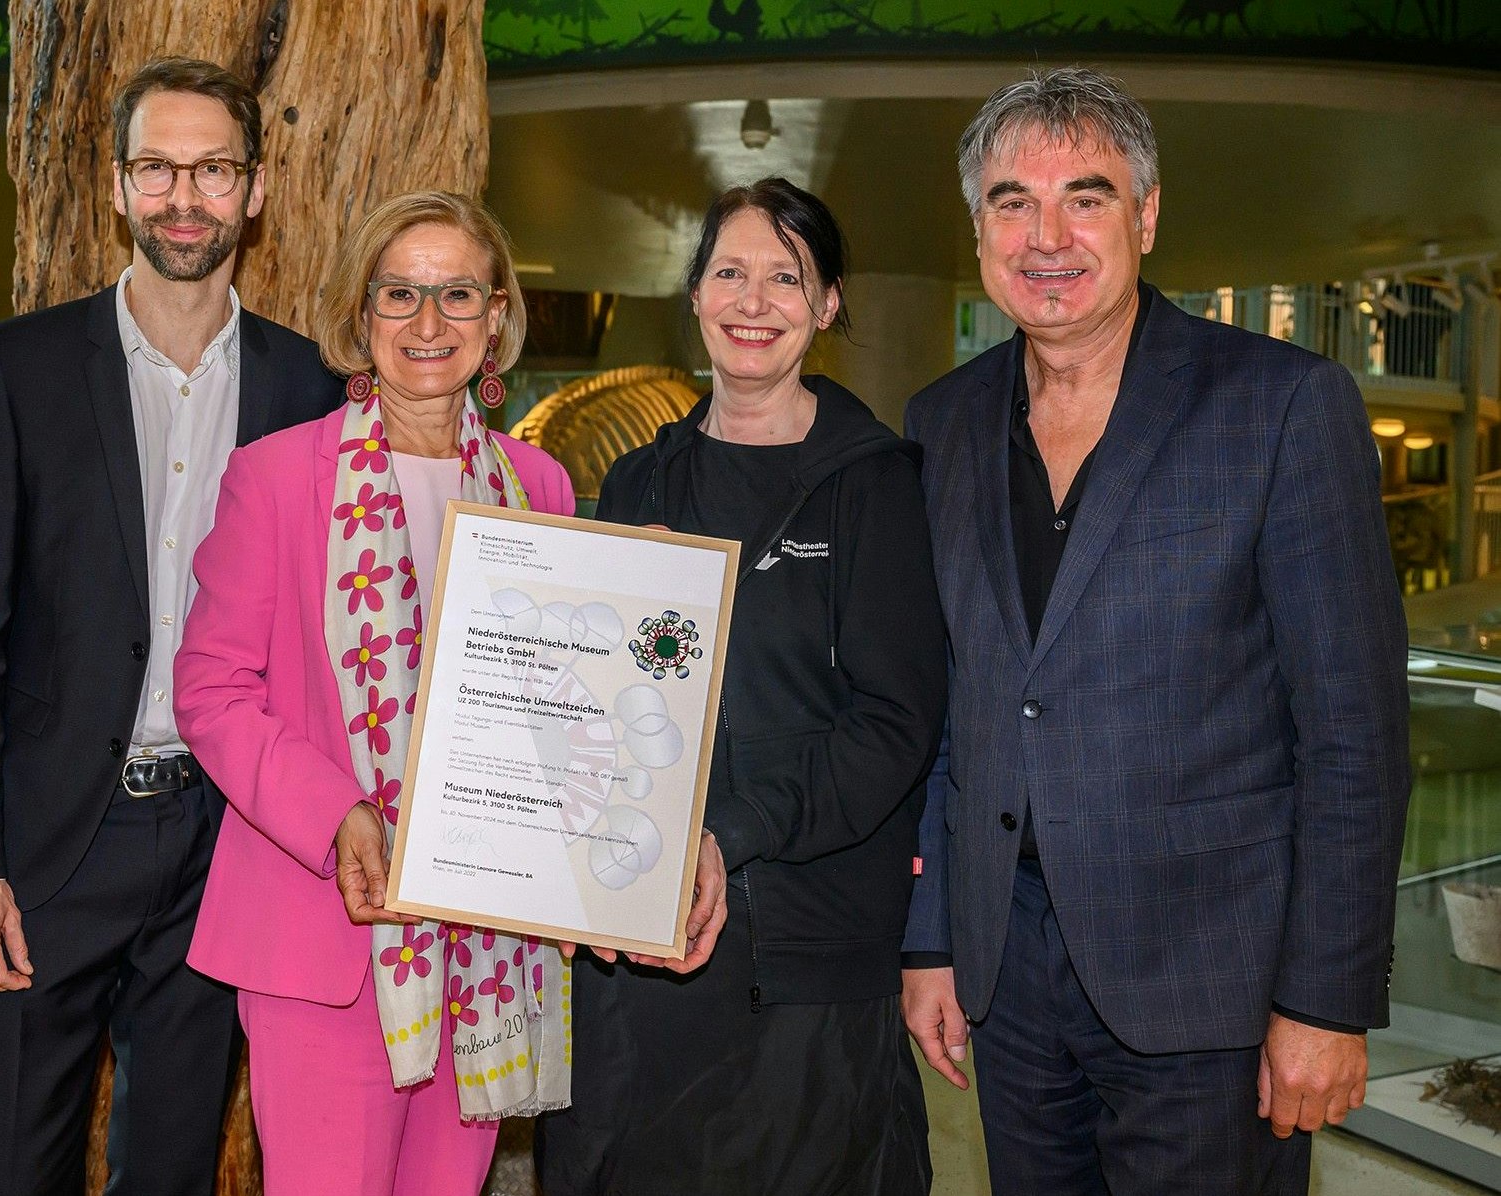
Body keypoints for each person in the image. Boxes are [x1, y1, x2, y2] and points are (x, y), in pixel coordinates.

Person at [900, 67, 1409, 1194]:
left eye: (1083, 196)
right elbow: (949, 707)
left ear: (1144, 213)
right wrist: (931, 936)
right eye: (1010, 202)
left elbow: (1352, 735)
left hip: (1215, 982)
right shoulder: (939, 422)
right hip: (1010, 972)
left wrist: (1321, 998)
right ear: (976, 226)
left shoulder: (1280, 404)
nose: (1046, 235)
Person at [0, 56, 339, 1195]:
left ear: (255, 190)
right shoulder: (19, 365)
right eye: (156, 168)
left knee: (173, 1167)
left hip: (226, 841)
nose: (184, 197)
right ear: (115, 186)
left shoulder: (308, 388)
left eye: (212, 169)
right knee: (15, 1165)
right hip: (47, 841)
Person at [176, 191, 622, 1195]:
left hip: (482, 936)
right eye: (400, 293)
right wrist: (335, 812)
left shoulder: (538, 484)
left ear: (497, 314)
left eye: (456, 293)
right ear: (361, 314)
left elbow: (560, 700)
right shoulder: (277, 476)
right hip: (324, 931)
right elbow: (209, 688)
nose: (428, 323)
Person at [535, 178, 947, 1194]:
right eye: (729, 271)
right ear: (694, 294)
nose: (752, 300)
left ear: (826, 304)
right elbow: (602, 701)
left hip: (804, 955)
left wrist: (725, 836)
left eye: (784, 277)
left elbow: (894, 724)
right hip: (644, 945)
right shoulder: (638, 481)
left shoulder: (875, 483)